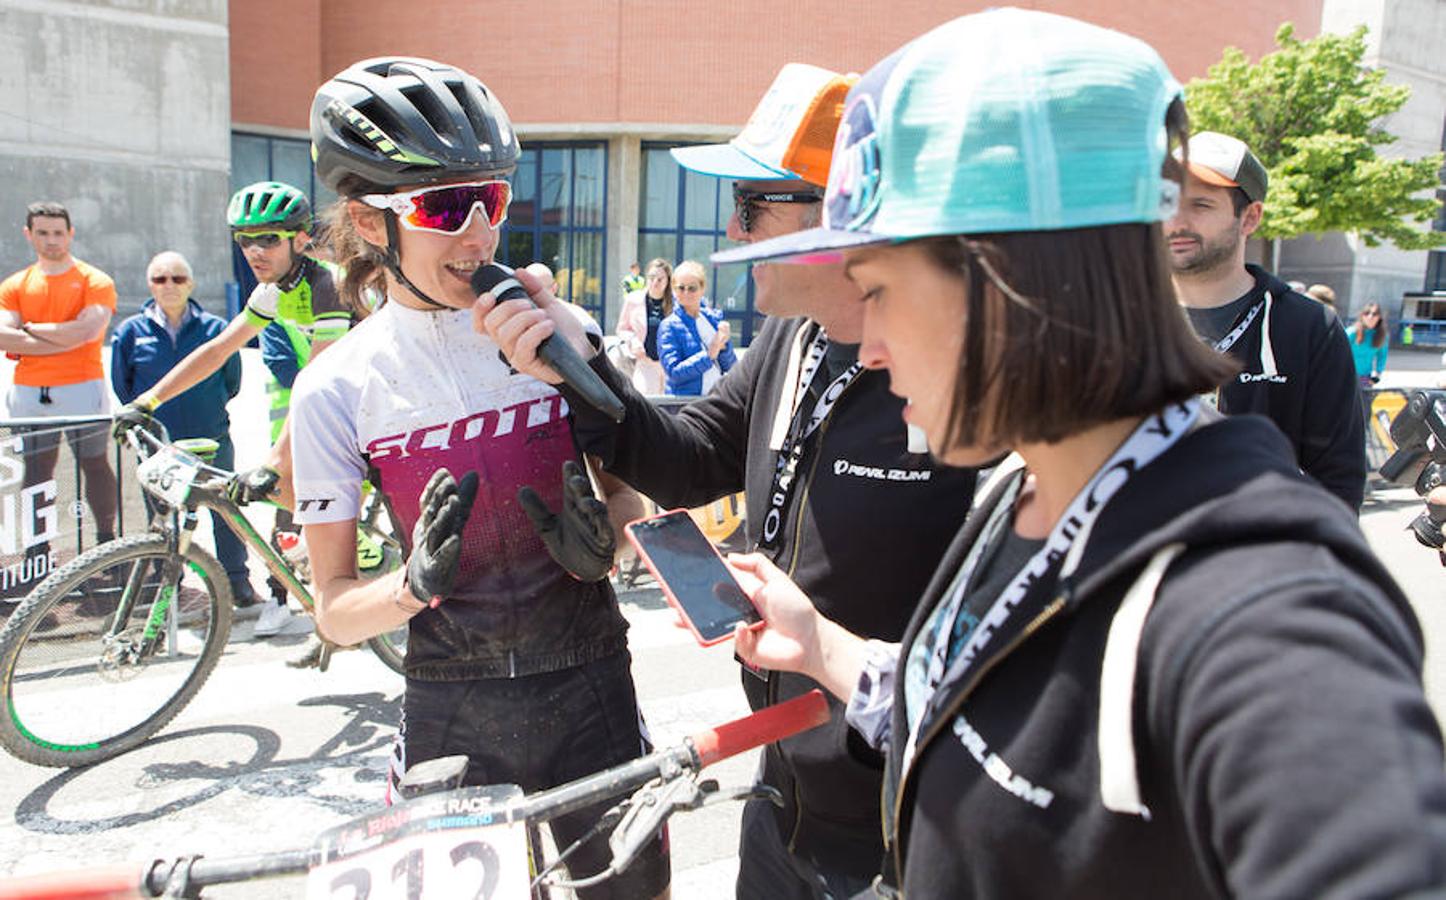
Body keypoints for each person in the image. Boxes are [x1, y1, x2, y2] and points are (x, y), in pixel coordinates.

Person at [701, 10, 1446, 898]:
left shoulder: (1253, 601)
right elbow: (975, 704)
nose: (868, 349)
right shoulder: (1025, 487)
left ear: (1006, 284)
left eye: (881, 293)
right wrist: (823, 645)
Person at [477, 61, 980, 900]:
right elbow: (693, 452)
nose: (733, 234)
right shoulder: (794, 333)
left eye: (751, 208)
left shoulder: (969, 374)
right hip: (783, 783)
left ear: (844, 216)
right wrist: (578, 364)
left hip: (904, 808)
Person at [291, 56, 669, 900]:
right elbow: (334, 612)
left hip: (591, 685)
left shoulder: (555, 325)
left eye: (491, 198)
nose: (479, 233)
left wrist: (606, 539)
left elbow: (632, 505)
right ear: (368, 219)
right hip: (448, 706)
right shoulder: (335, 388)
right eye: (443, 206)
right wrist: (410, 587)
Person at [113, 180, 357, 637]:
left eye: (268, 239)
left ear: (301, 239)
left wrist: (274, 460)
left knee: (285, 473)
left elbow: (316, 382)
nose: (254, 250)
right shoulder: (272, 292)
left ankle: (355, 554)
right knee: (284, 489)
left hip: (379, 388)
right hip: (337, 388)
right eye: (245, 240)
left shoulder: (328, 285)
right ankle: (329, 559)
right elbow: (217, 350)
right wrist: (147, 401)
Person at [1165, 131, 1365, 511]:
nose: (1176, 221)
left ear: (1250, 217)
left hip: (1258, 561)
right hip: (1141, 561)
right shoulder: (1124, 318)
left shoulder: (1309, 328)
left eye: (1201, 205)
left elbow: (1338, 479)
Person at [111, 252, 253, 606]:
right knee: (162, 517)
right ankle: (168, 587)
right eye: (160, 279)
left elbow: (231, 381)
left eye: (177, 278)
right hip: (160, 445)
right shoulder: (130, 332)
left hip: (212, 437)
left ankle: (237, 582)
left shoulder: (216, 329)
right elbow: (124, 386)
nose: (169, 286)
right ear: (150, 285)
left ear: (190, 284)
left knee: (224, 509)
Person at [0, 201, 118, 568]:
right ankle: (38, 552)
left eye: (58, 232)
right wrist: (62, 337)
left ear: (70, 233)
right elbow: (4, 336)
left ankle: (106, 542)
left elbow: (89, 332)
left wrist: (30, 330)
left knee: (95, 463)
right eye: (43, 233)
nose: (51, 240)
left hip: (83, 386)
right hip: (30, 392)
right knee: (36, 469)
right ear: (29, 234)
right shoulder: (16, 285)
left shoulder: (94, 281)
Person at [658, 260, 735, 395]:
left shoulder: (712, 320)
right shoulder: (668, 326)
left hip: (714, 400)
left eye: (692, 288)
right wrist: (708, 355)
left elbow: (730, 366)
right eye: (681, 288)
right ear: (674, 290)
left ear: (702, 289)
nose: (686, 293)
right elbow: (674, 373)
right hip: (685, 405)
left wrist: (725, 346)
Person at [613, 258, 672, 393]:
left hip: (670, 366)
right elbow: (622, 329)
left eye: (660, 279)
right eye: (651, 277)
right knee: (646, 405)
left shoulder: (676, 303)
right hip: (645, 363)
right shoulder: (633, 299)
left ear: (668, 280)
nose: (655, 282)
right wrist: (633, 341)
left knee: (670, 410)